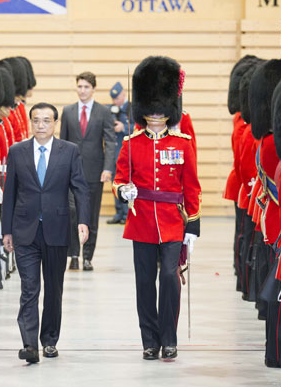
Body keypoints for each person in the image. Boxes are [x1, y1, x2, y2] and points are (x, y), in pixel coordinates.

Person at [112, 56, 201, 361]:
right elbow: (120, 179)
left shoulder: (182, 143)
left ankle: (170, 338)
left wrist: (192, 227)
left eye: (160, 111)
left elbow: (192, 187)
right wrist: (124, 190)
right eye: (150, 110)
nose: (155, 116)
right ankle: (149, 340)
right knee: (144, 283)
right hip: (141, 222)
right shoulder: (131, 143)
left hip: (173, 221)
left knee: (169, 279)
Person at [2, 102, 90, 363]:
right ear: (31, 123)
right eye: (36, 120)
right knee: (29, 288)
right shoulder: (17, 152)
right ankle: (29, 345)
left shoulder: (69, 152)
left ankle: (49, 340)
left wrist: (83, 221)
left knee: (53, 288)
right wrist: (7, 230)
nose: (41, 125)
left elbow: (81, 188)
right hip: (25, 230)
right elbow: (10, 193)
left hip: (57, 229)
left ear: (55, 123)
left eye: (46, 120)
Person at [60, 71, 115, 271]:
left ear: (93, 89)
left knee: (91, 215)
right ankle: (73, 254)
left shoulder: (103, 112)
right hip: (72, 172)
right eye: (80, 86)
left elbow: (110, 141)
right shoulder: (68, 111)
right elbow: (63, 142)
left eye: (86, 87)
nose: (82, 90)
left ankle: (87, 257)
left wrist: (108, 168)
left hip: (95, 171)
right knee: (73, 213)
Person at [107, 81, 131, 225]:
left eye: (117, 98)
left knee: (127, 185)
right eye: (113, 99)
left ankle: (127, 214)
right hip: (114, 153)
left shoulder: (132, 108)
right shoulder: (111, 109)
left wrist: (124, 127)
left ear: (123, 94)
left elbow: (140, 128)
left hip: (128, 153)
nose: (115, 101)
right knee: (115, 184)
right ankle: (118, 213)